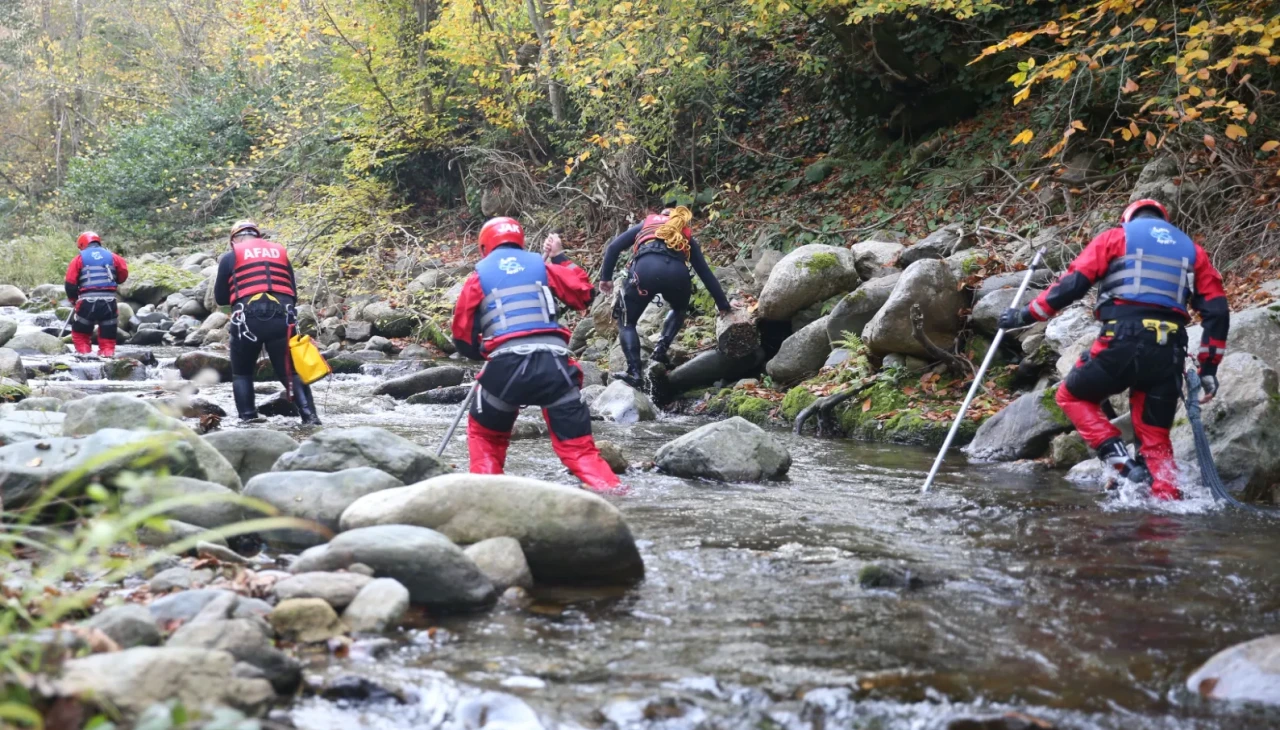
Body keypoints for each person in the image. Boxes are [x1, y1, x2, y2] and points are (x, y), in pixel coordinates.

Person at [999, 199, 1230, 500]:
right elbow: (1218, 312)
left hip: (1121, 341)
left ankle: (1118, 458)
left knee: (1071, 395)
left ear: (1129, 218)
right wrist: (1209, 369)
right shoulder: (1193, 252)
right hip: (1168, 352)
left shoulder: (1116, 237)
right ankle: (1168, 509)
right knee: (1156, 439)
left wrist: (1026, 315)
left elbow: (1072, 284)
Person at [451, 217, 622, 493]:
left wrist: (482, 351)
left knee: (486, 440)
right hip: (555, 366)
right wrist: (560, 257)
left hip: (506, 369)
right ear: (519, 240)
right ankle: (619, 497)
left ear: (484, 247)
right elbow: (584, 294)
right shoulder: (543, 267)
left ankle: (487, 498)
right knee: (580, 451)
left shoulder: (477, 278)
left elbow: (462, 338)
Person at [598, 206, 733, 386]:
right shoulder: (685, 235)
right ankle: (660, 352)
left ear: (661, 215)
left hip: (645, 270)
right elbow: (704, 272)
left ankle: (634, 372)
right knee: (679, 309)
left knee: (627, 322)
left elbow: (613, 247)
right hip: (677, 274)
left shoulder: (647, 223)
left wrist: (605, 278)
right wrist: (723, 305)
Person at [213, 220, 320, 426]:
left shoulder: (230, 257)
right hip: (282, 319)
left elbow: (221, 298)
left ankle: (248, 419)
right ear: (258, 236)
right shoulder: (280, 253)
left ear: (234, 240)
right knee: (291, 372)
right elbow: (292, 292)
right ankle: (310, 418)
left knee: (242, 374)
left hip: (246, 321)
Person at [64, 231, 129, 358]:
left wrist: (73, 300)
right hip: (109, 303)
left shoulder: (79, 259)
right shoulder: (113, 257)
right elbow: (123, 275)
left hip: (87, 303)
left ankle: (85, 358)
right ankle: (107, 358)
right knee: (108, 338)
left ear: (82, 244)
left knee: (81, 335)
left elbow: (70, 283)